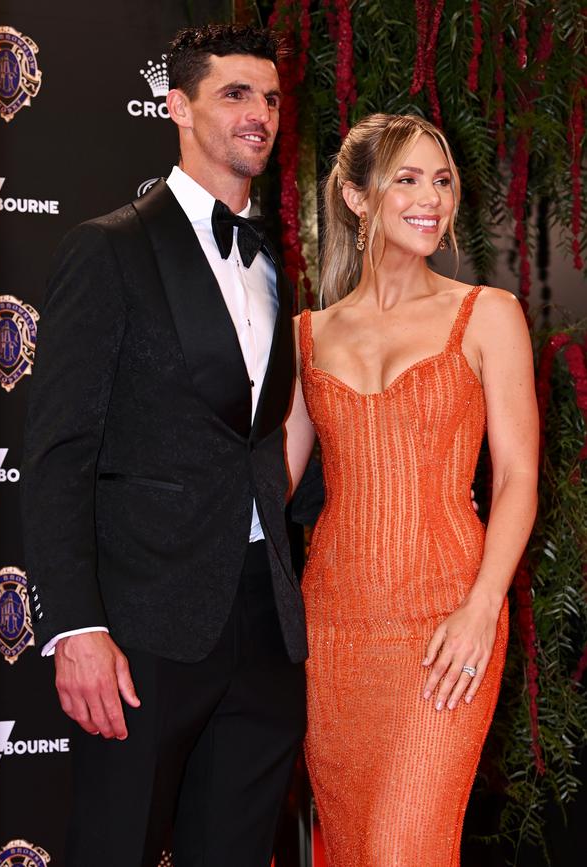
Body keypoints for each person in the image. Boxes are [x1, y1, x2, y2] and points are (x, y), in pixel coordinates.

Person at [21, 24, 309, 867]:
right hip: (143, 627)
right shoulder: (108, 249)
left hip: (264, 627)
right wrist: (75, 625)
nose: (258, 113)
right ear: (176, 105)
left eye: (271, 98)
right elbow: (59, 452)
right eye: (234, 94)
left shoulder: (274, 266)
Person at [284, 113, 539, 866]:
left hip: (445, 628)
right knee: (359, 849)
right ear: (359, 199)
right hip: (330, 636)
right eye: (408, 178)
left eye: (442, 179)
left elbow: (519, 477)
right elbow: (268, 487)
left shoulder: (487, 315)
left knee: (402, 849)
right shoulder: (309, 334)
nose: (432, 197)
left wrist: (482, 608)